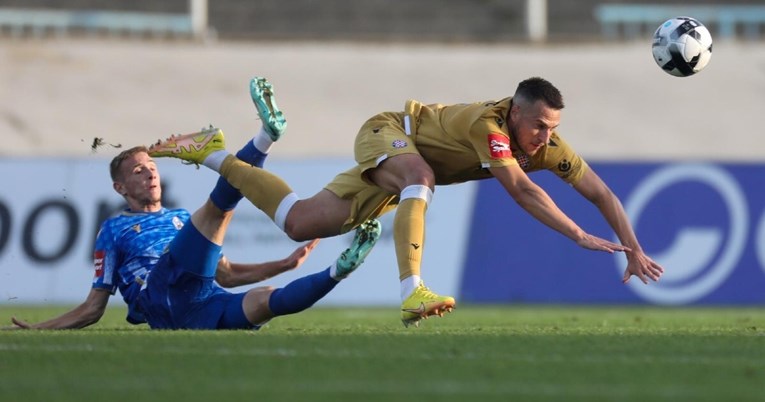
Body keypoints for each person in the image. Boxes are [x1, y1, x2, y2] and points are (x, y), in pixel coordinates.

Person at [148, 77, 665, 327]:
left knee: (299, 222)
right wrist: (577, 235)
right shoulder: (489, 126)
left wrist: (633, 247)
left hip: (400, 168)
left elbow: (601, 192)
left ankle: (213, 152)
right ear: (514, 112)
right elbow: (524, 191)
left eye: (554, 129)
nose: (545, 137)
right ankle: (411, 290)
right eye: (538, 125)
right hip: (388, 133)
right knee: (420, 176)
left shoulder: (547, 145)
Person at [8, 77, 381, 330]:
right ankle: (259, 140)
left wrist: (283, 264)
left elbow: (226, 274)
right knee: (219, 209)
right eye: (139, 171)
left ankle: (339, 270)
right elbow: (94, 306)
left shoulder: (180, 219)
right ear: (119, 187)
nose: (150, 174)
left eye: (152, 167)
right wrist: (40, 328)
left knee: (272, 302)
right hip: (159, 291)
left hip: (196, 306)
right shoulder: (114, 229)